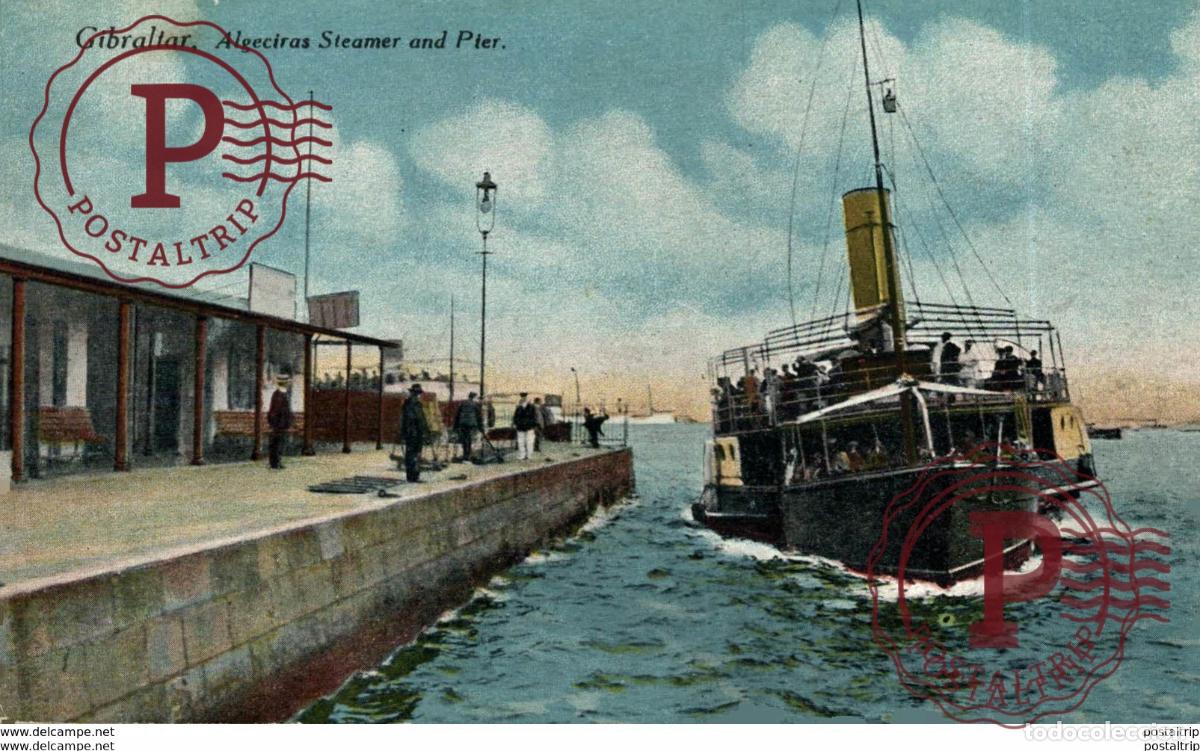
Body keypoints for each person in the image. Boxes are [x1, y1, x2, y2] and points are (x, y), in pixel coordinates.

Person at [400, 383, 428, 482]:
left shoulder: (407, 403)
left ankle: (411, 476)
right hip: (415, 432)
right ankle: (413, 476)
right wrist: (425, 430)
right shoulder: (415, 403)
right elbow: (419, 419)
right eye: (418, 393)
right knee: (414, 454)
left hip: (410, 432)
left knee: (411, 454)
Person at [266, 375, 293, 470]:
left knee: (279, 444)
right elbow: (276, 411)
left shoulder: (281, 394)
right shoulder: (279, 395)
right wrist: (277, 423)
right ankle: (275, 463)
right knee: (277, 444)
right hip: (279, 424)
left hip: (281, 423)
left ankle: (277, 462)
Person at [453, 392, 481, 461]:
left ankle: (465, 454)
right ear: (473, 397)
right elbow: (478, 416)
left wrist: (455, 426)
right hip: (470, 424)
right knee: (469, 438)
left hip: (462, 423)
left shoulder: (462, 403)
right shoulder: (475, 405)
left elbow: (457, 414)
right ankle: (467, 454)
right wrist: (480, 426)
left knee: (464, 438)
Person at [512, 392, 538, 460]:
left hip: (529, 427)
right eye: (522, 397)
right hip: (521, 427)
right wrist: (516, 423)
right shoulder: (519, 407)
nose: (523, 398)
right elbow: (515, 417)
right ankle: (522, 455)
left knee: (529, 441)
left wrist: (532, 425)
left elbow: (534, 417)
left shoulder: (532, 407)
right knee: (521, 442)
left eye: (525, 397)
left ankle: (529, 455)